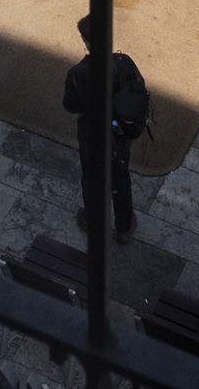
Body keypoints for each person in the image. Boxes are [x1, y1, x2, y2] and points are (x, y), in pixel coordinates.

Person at [62, 12, 148, 243]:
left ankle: (95, 223)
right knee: (120, 178)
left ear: (87, 42)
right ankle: (123, 227)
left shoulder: (79, 73)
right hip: (120, 136)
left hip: (92, 136)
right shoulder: (124, 62)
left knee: (92, 180)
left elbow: (70, 105)